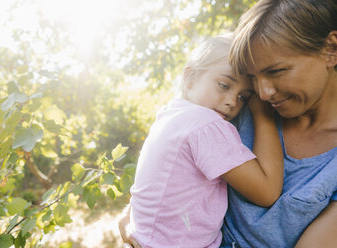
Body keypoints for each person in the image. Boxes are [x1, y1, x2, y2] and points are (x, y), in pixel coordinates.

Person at [120, 0, 337, 247]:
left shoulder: (241, 107)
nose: (263, 93)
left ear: (331, 49)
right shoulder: (223, 114)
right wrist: (136, 222)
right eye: (254, 78)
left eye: (277, 71)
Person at [122, 34, 284, 248]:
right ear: (190, 79)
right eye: (224, 85)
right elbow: (267, 192)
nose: (232, 102)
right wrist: (264, 117)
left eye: (243, 97)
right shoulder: (205, 123)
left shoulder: (171, 115)